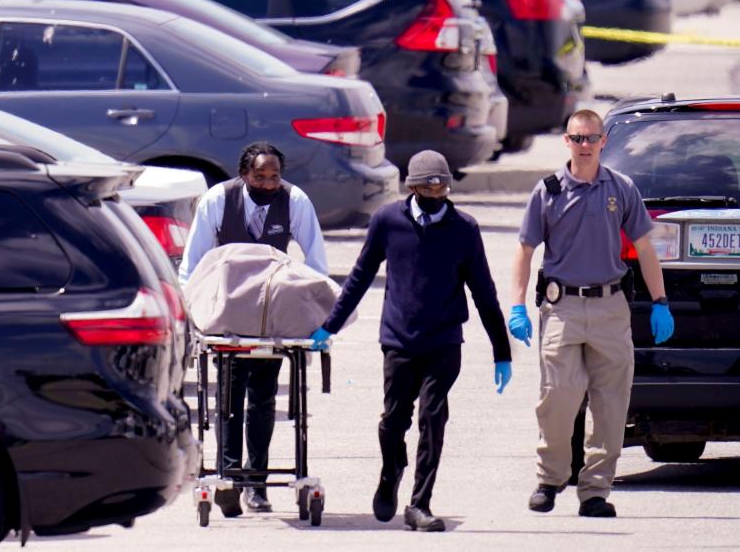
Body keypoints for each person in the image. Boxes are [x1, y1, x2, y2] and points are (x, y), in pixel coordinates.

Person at [313, 150, 511, 532]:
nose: (436, 191)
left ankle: (420, 503)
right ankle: (392, 470)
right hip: (399, 340)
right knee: (392, 421)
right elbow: (360, 275)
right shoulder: (388, 221)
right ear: (413, 187)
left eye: (442, 184)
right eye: (428, 185)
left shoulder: (463, 228)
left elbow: (484, 292)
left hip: (444, 342)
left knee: (433, 418)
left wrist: (501, 351)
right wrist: (330, 325)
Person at [508, 109, 675, 518]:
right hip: (562, 306)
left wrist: (660, 302)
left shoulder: (622, 188)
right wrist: (516, 305)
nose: (584, 146)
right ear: (566, 141)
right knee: (558, 397)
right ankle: (550, 480)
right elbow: (525, 249)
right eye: (577, 138)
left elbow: (645, 248)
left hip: (610, 308)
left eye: (591, 138)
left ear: (603, 142)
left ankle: (596, 491)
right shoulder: (547, 191)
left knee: (611, 403)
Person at [179, 141, 329, 518]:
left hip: (270, 314)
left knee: (263, 399)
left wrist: (317, 315)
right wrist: (193, 315)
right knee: (228, 398)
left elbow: (316, 262)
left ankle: (257, 483)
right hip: (229, 313)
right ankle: (229, 478)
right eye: (259, 176)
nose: (267, 182)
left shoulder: (295, 201)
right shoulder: (217, 200)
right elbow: (192, 263)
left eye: (274, 175)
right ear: (244, 174)